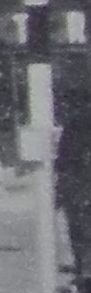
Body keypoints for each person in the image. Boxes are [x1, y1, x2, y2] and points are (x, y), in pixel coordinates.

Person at [57, 105, 91, 278]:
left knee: (81, 240)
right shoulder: (77, 123)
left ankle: (84, 275)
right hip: (80, 192)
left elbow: (62, 163)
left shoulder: (75, 121)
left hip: (79, 193)